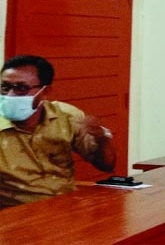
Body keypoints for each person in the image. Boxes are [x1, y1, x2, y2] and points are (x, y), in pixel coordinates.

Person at [0, 55, 116, 208]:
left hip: (66, 209)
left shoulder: (66, 116)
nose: (10, 95)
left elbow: (106, 165)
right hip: (16, 214)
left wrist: (102, 138)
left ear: (45, 91)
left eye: (21, 88)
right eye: (5, 87)